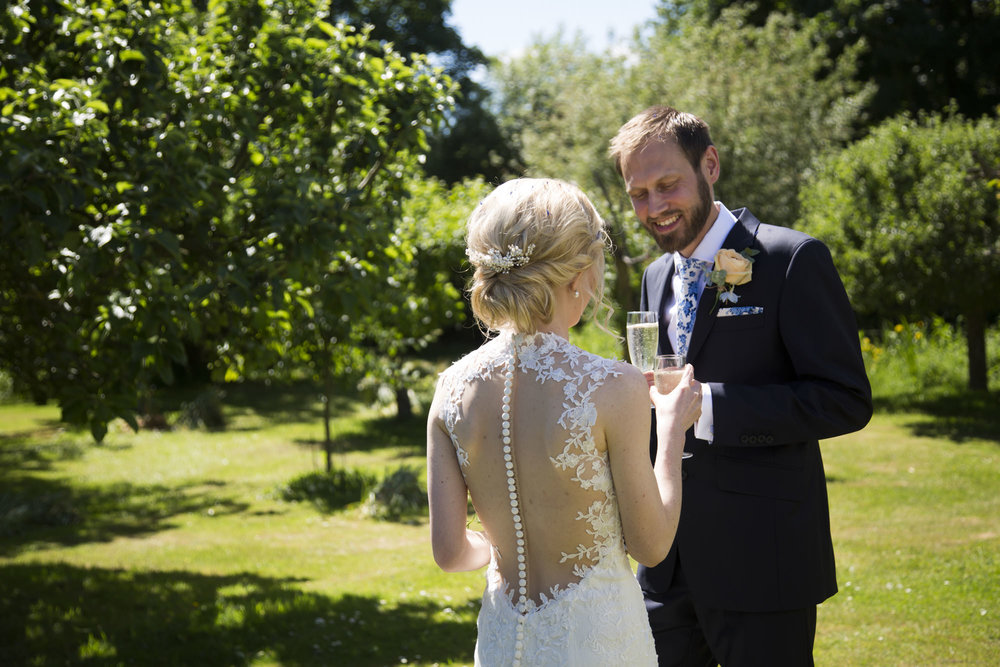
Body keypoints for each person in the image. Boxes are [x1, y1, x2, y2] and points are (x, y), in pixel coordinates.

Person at [608, 106, 873, 666]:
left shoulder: (790, 259)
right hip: (664, 561)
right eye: (638, 194)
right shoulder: (656, 277)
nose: (653, 208)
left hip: (762, 559)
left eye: (667, 185)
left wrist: (707, 405)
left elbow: (845, 399)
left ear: (710, 165)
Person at [426, 177, 702, 666]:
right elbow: (651, 545)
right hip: (597, 644)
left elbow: (449, 553)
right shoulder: (612, 386)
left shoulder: (450, 388)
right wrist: (674, 427)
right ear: (576, 276)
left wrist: (503, 546)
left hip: (501, 641)